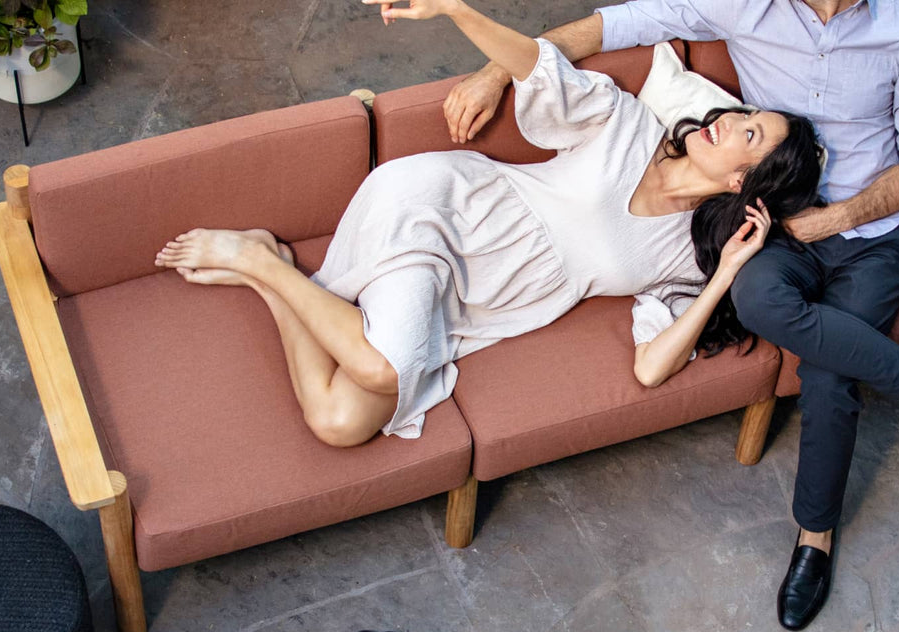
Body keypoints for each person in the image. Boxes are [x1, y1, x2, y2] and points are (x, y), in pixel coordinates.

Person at [439, 0, 899, 632]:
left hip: (872, 233)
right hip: (780, 231)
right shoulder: (745, 5)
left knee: (825, 374)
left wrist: (839, 218)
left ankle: (813, 539)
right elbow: (616, 25)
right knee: (758, 298)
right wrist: (497, 71)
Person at [151, 0, 823, 452]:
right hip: (445, 209)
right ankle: (263, 264)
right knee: (382, 369)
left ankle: (271, 268)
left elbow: (651, 369)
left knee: (339, 422)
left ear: (744, 182)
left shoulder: (688, 253)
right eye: (742, 112)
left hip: (477, 302)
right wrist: (455, 8)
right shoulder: (626, 122)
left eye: (751, 131)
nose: (730, 118)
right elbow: (538, 67)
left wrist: (726, 275)